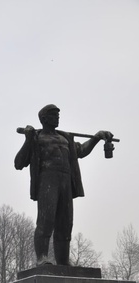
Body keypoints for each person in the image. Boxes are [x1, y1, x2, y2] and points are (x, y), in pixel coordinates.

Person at [14, 104, 113, 266]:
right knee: (46, 221)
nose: (58, 117)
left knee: (65, 223)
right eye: (54, 115)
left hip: (66, 181)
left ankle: (63, 262)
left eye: (58, 115)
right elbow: (18, 163)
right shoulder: (37, 138)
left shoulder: (65, 138)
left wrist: (96, 137)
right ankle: (42, 259)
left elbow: (81, 151)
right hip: (47, 180)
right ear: (44, 119)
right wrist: (28, 139)